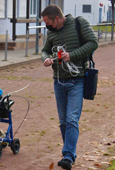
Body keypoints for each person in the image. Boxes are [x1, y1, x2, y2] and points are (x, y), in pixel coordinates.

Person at [41, 4, 98, 170]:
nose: (47, 26)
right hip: (59, 81)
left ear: (57, 19)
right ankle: (69, 153)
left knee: (72, 118)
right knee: (64, 121)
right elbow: (45, 50)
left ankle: (68, 155)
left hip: (77, 80)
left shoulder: (79, 23)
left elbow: (93, 42)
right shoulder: (52, 32)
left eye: (48, 22)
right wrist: (45, 58)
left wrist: (71, 55)